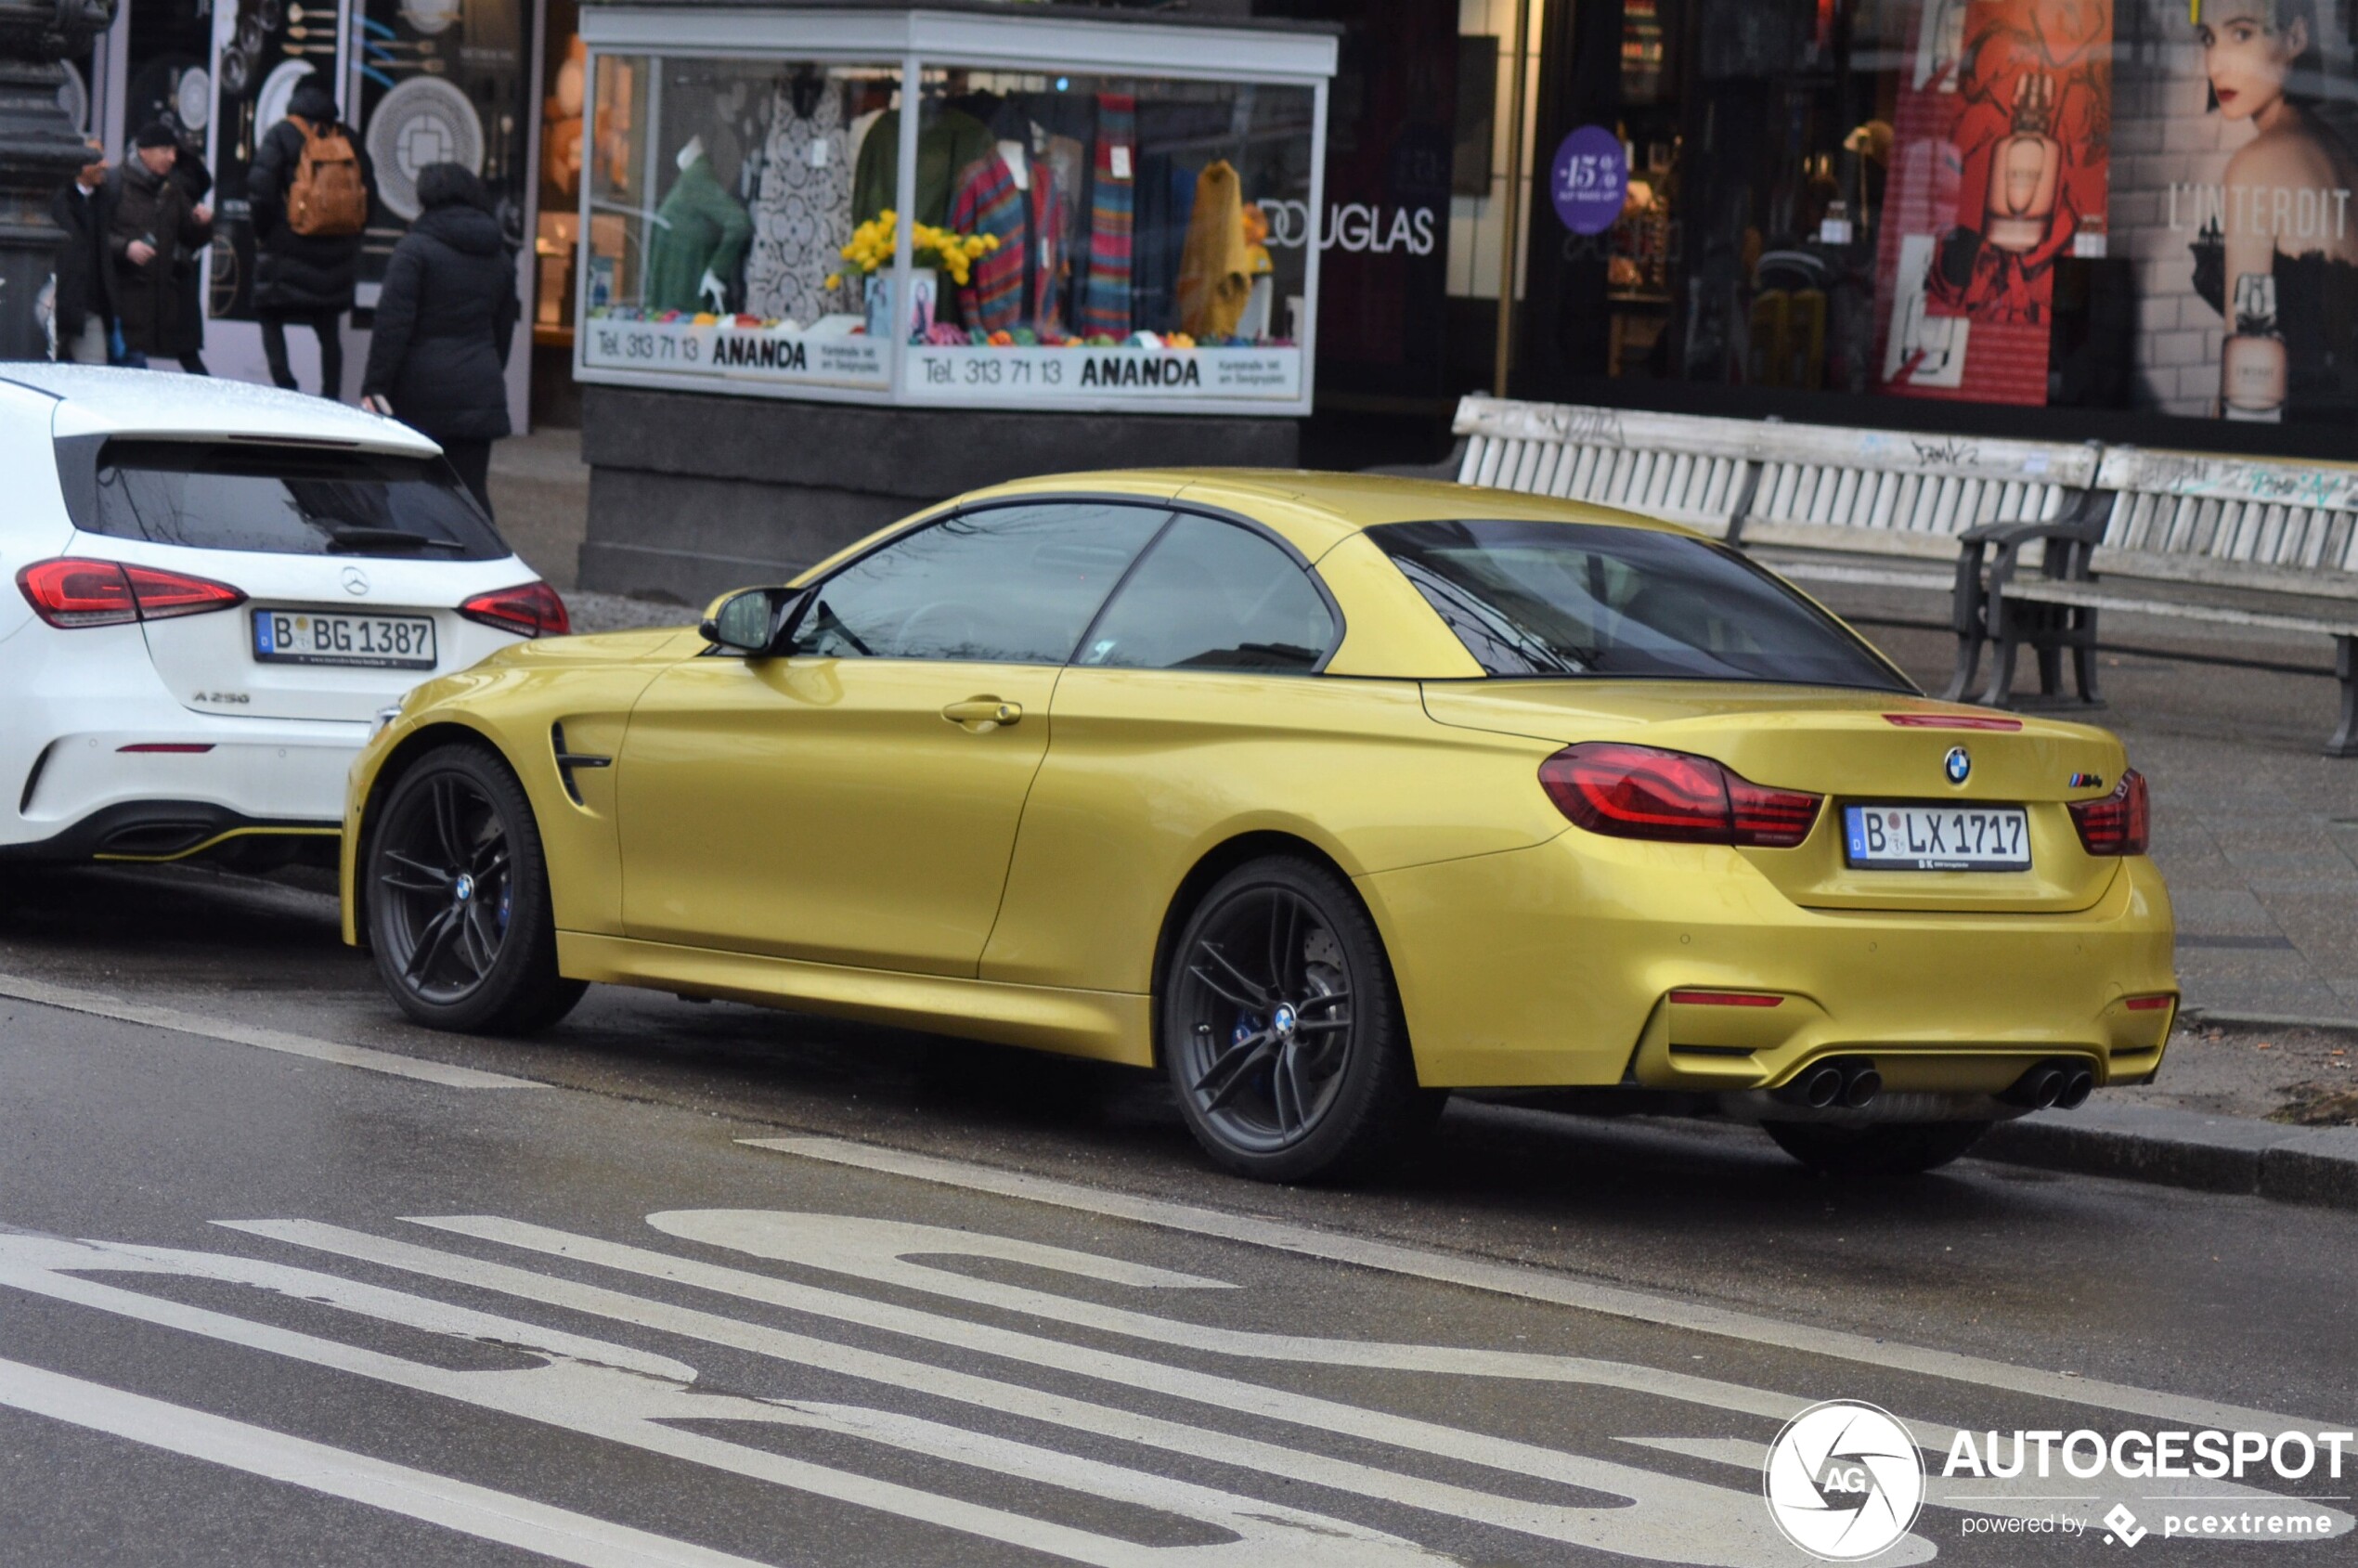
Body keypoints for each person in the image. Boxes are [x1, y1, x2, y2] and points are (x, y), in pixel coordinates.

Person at [2190, 0, 2358, 420]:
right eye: (2209, 39)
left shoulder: (2257, 165)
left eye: (2242, 33)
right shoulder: (2337, 151)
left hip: (2287, 429)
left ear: (2296, 38)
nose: (2218, 63)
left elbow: (2244, 387)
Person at [360, 163, 518, 516]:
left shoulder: (415, 250)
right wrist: (485, 372)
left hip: (419, 391)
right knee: (471, 493)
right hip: (479, 387)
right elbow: (503, 332)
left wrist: (375, 386)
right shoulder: (500, 256)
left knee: (412, 493)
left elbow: (392, 326)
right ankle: (483, 566)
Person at [248, 77, 375, 398]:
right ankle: (330, 397)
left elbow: (260, 191)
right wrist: (350, 236)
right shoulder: (348, 138)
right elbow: (368, 195)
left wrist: (268, 232)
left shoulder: (282, 134)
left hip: (286, 245)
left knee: (269, 312)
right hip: (337, 251)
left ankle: (286, 387)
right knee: (328, 327)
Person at [104, 122, 213, 369]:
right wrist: (125, 248)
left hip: (157, 308)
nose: (172, 158)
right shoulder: (115, 184)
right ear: (144, 151)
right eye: (166, 151)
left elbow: (191, 238)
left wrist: (201, 224)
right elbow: (95, 238)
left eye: (174, 151)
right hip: (120, 307)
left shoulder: (171, 190)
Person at [48, 140, 112, 364]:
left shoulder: (104, 199)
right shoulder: (57, 199)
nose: (105, 164)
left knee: (96, 374)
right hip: (57, 303)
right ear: (81, 165)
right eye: (97, 158)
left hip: (90, 306)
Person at [159, 113, 214, 374]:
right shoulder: (186, 179)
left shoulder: (174, 185)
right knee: (187, 355)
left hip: (168, 276)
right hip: (176, 275)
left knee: (133, 349)